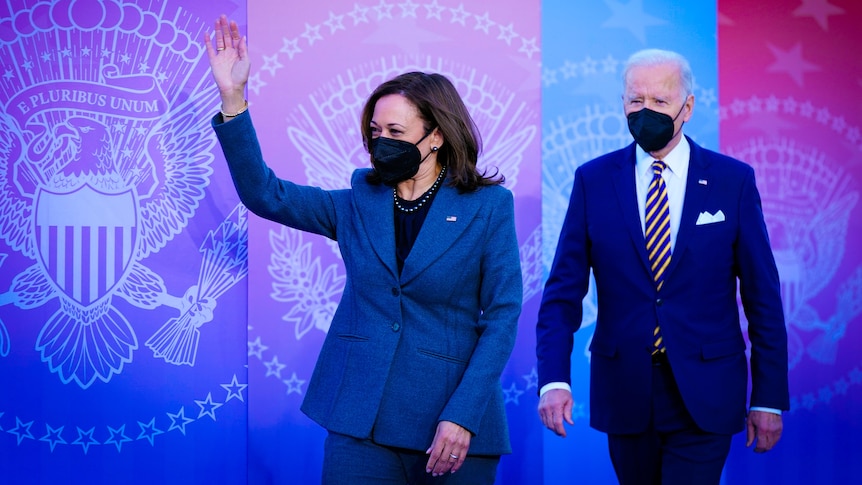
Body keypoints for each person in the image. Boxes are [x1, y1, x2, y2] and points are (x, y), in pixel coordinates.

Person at [204, 15, 522, 485]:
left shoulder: (488, 206)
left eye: (396, 132)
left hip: (450, 424)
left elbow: (503, 315)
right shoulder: (358, 200)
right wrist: (233, 99)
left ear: (435, 136)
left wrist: (464, 414)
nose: (381, 143)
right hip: (361, 420)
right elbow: (265, 194)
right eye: (375, 132)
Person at [535, 48, 789, 484]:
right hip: (626, 389)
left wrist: (767, 397)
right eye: (636, 101)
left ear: (687, 107)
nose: (645, 111)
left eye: (660, 102)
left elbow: (762, 297)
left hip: (707, 389)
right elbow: (562, 292)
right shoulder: (593, 180)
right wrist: (553, 379)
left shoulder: (733, 181)